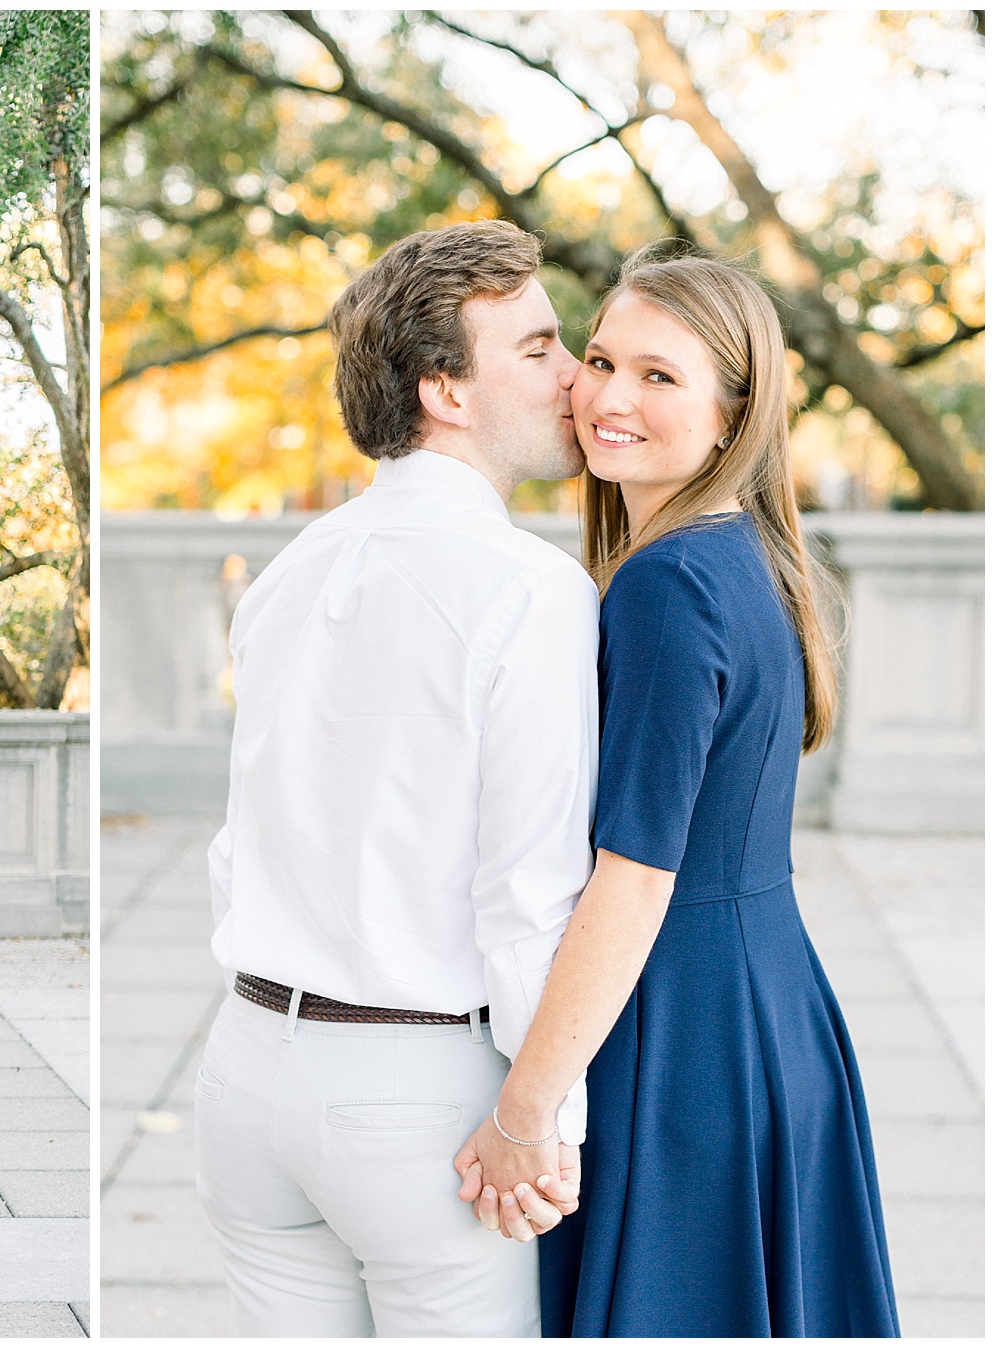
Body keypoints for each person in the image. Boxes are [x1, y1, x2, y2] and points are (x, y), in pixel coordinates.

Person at [454, 248, 900, 1337]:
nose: (608, 396)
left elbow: (636, 877)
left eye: (661, 376)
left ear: (734, 409)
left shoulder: (667, 584)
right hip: (771, 1004)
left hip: (680, 1031)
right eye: (600, 359)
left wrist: (524, 1112)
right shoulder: (742, 555)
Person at [194, 218, 592, 1337]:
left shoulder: (286, 572)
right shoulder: (531, 590)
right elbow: (530, 898)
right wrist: (544, 1116)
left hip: (246, 1074)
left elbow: (241, 848)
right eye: (539, 349)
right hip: (419, 1102)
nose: (575, 376)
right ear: (446, 392)